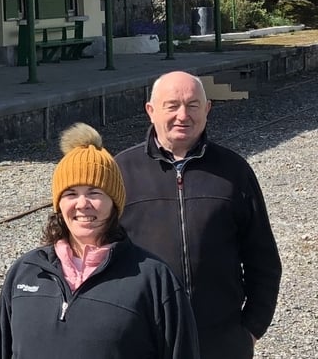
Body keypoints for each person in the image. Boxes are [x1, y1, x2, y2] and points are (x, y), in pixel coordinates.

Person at [0, 123, 199, 359]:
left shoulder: (154, 279)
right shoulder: (25, 273)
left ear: (114, 203)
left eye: (94, 193)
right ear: (58, 204)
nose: (82, 204)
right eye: (71, 193)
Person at [116, 71, 281, 359]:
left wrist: (251, 329)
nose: (183, 115)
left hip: (220, 340)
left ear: (207, 110)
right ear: (151, 111)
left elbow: (263, 258)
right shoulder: (121, 172)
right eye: (172, 106)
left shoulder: (234, 171)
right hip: (142, 339)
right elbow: (98, 255)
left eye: (193, 105)